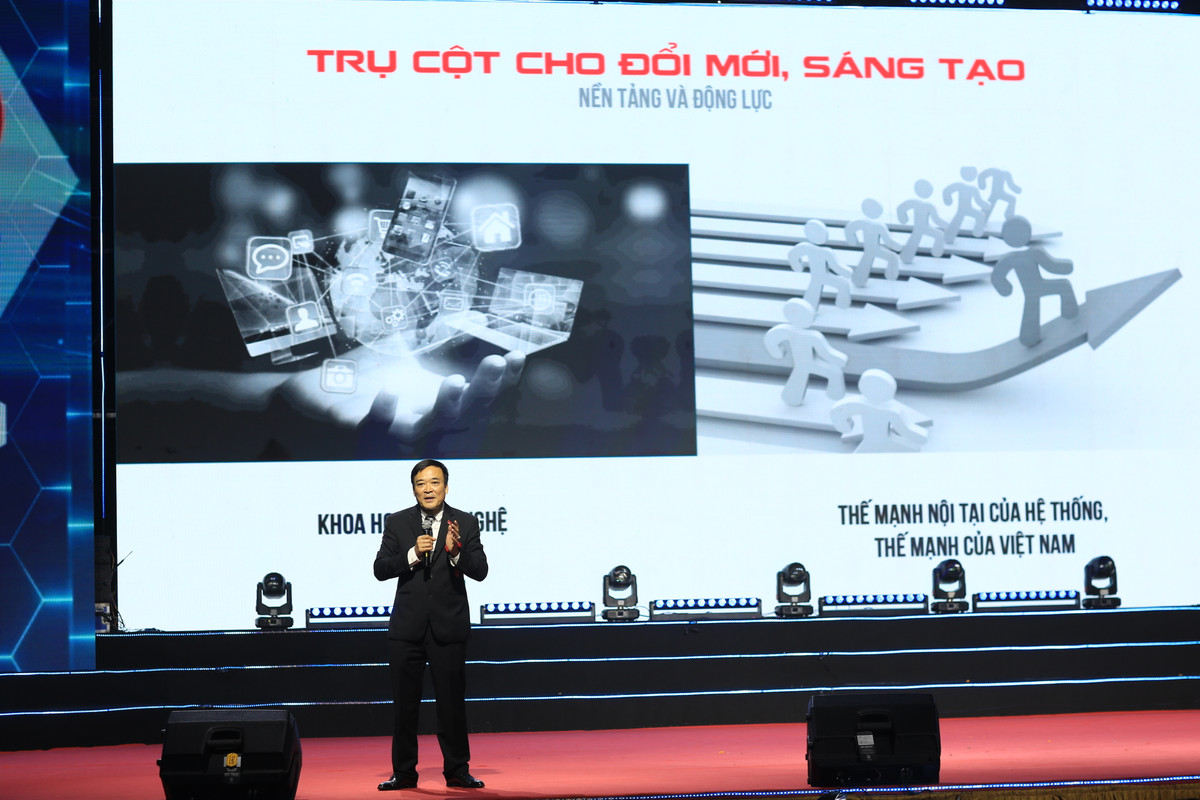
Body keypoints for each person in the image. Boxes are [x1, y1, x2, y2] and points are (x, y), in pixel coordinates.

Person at [374, 459, 489, 791]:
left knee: (451, 704)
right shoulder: (398, 522)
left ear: (446, 487)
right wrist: (412, 554)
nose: (428, 489)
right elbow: (380, 569)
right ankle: (404, 773)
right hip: (407, 628)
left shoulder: (465, 522)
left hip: (448, 627)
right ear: (414, 489)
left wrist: (456, 554)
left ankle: (457, 770)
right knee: (404, 705)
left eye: (434, 482)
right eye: (421, 483)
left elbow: (480, 570)